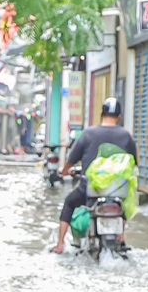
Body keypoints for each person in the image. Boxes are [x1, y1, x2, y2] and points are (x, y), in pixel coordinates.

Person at [52, 96, 138, 253]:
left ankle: (60, 244)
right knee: (124, 207)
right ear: (119, 116)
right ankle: (121, 236)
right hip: (118, 189)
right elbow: (135, 163)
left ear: (101, 114)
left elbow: (72, 159)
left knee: (69, 203)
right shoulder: (126, 135)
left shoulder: (89, 133)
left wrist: (64, 171)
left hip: (91, 188)